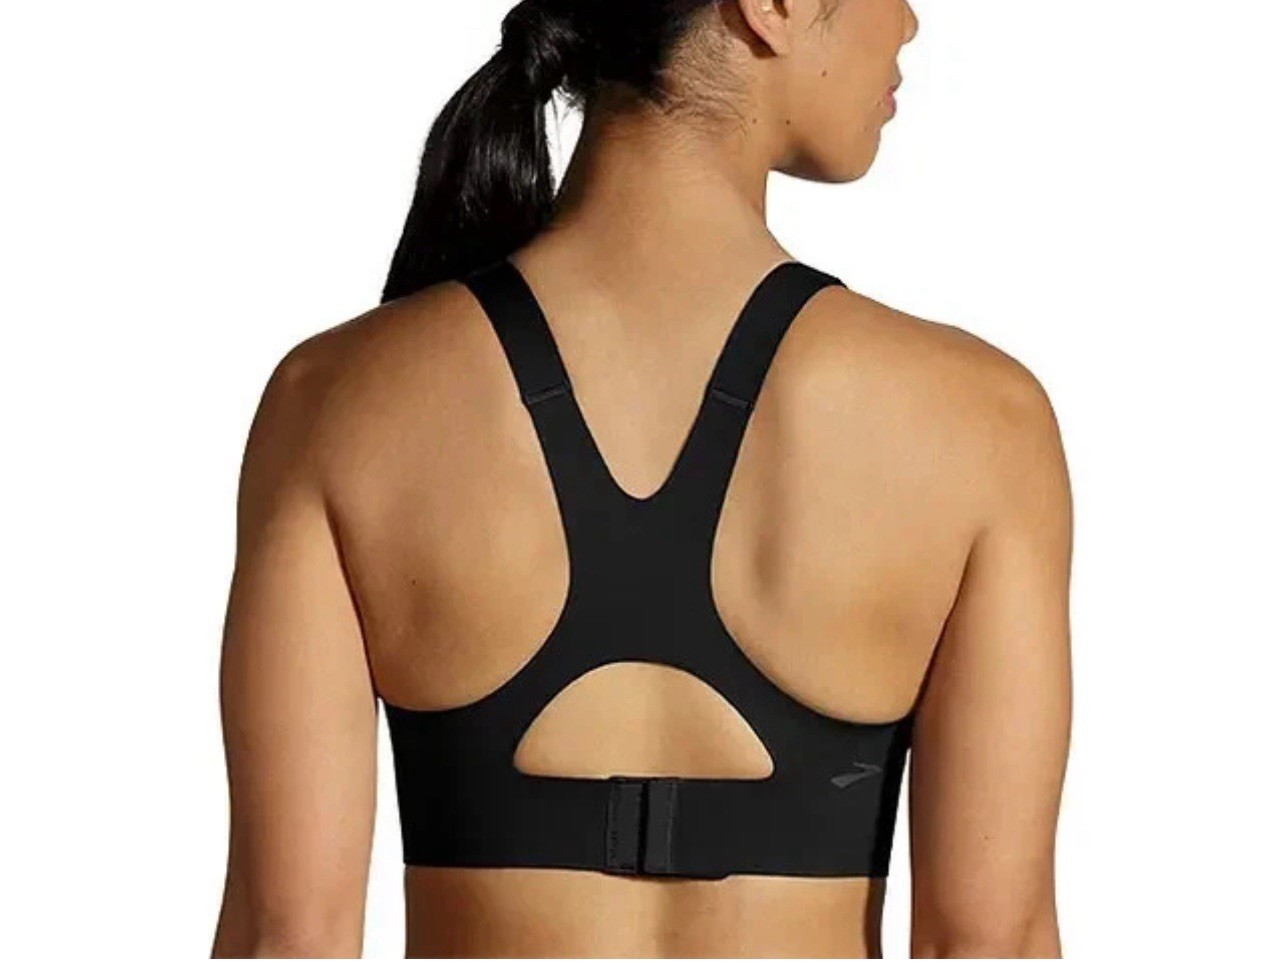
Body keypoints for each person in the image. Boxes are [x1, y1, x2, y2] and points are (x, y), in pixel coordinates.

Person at [212, 0, 1072, 957]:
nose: (908, 21)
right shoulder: (978, 425)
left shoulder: (333, 404)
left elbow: (286, 938)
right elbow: (992, 942)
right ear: (772, 7)